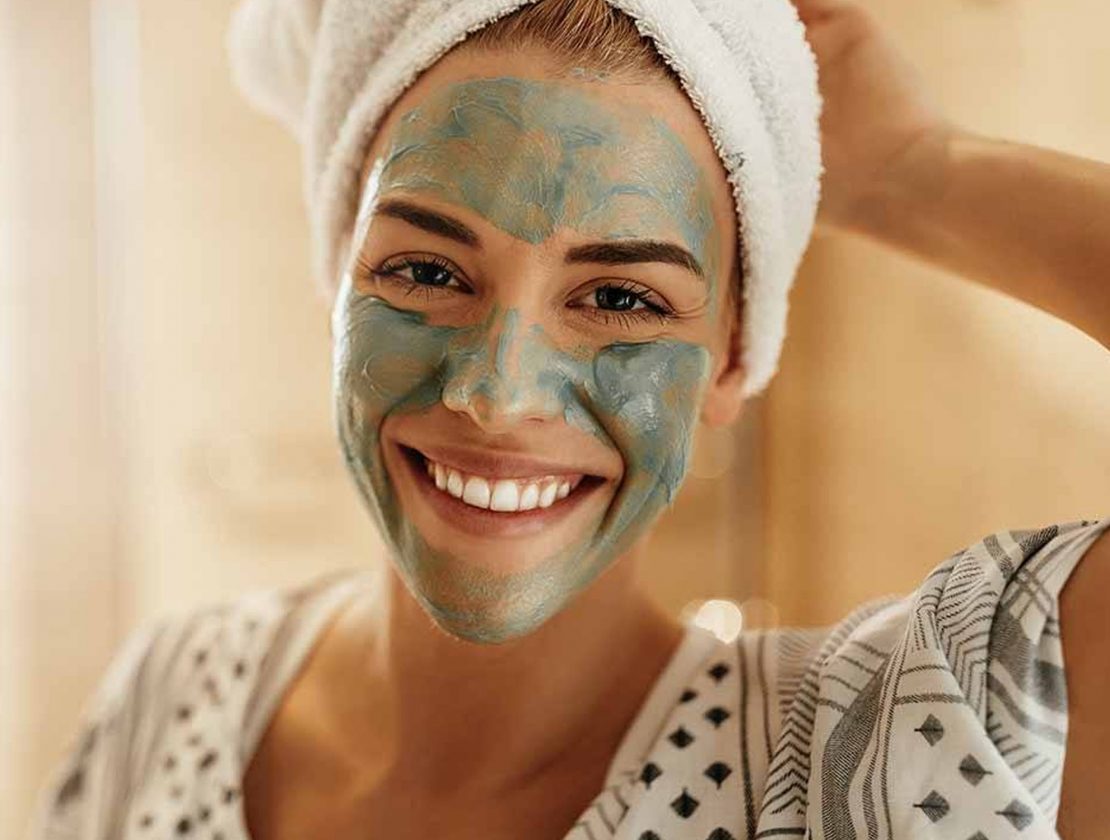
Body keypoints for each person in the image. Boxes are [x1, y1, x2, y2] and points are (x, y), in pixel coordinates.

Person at [28, 0, 1110, 838]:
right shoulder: (173, 692)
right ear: (337, 289)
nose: (498, 394)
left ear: (733, 358)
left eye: (620, 298)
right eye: (425, 271)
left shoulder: (876, 763)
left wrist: (917, 173)